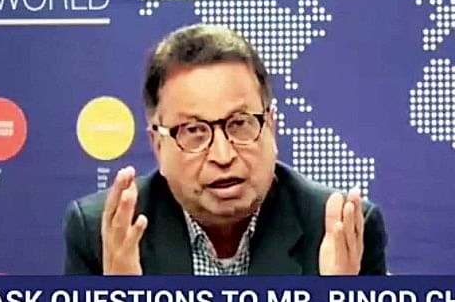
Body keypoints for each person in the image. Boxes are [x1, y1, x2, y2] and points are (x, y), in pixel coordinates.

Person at [63, 24, 387, 275]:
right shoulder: (101, 235)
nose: (223, 156)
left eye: (240, 123)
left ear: (271, 127)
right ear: (158, 144)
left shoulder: (342, 232)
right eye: (194, 131)